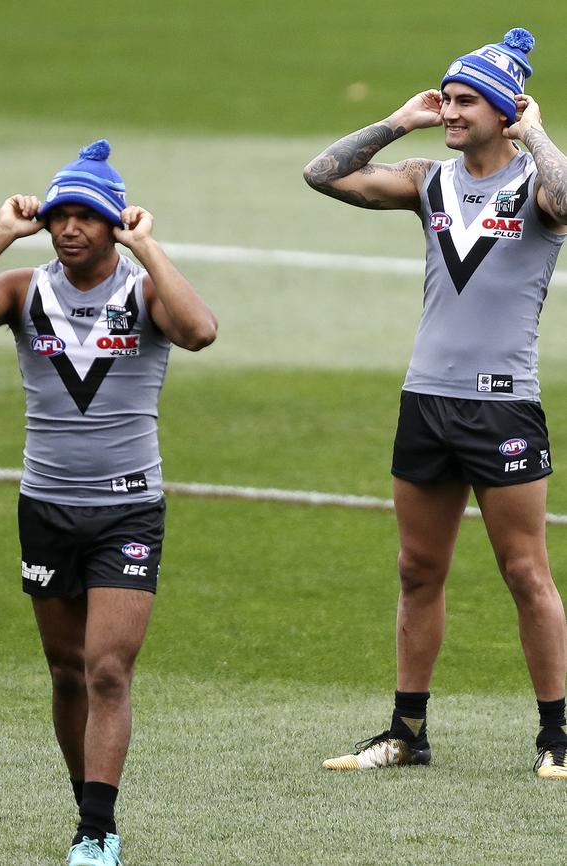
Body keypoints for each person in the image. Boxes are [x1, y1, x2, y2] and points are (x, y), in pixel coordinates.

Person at [0, 140, 217, 863]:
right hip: (46, 506)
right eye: (59, 216)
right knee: (64, 671)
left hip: (128, 509)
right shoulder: (25, 291)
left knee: (108, 669)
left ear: (116, 222)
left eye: (88, 216)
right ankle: (86, 803)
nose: (70, 229)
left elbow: (201, 331)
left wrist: (149, 248)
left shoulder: (144, 293)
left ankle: (97, 829)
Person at [303, 28, 567, 778]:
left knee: (525, 572)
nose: (449, 111)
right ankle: (407, 732)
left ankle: (557, 737)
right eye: (446, 98)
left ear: (505, 109)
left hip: (504, 406)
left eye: (463, 101)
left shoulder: (537, 185)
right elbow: (322, 175)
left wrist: (537, 128)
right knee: (418, 570)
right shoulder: (428, 180)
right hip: (427, 401)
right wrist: (398, 121)